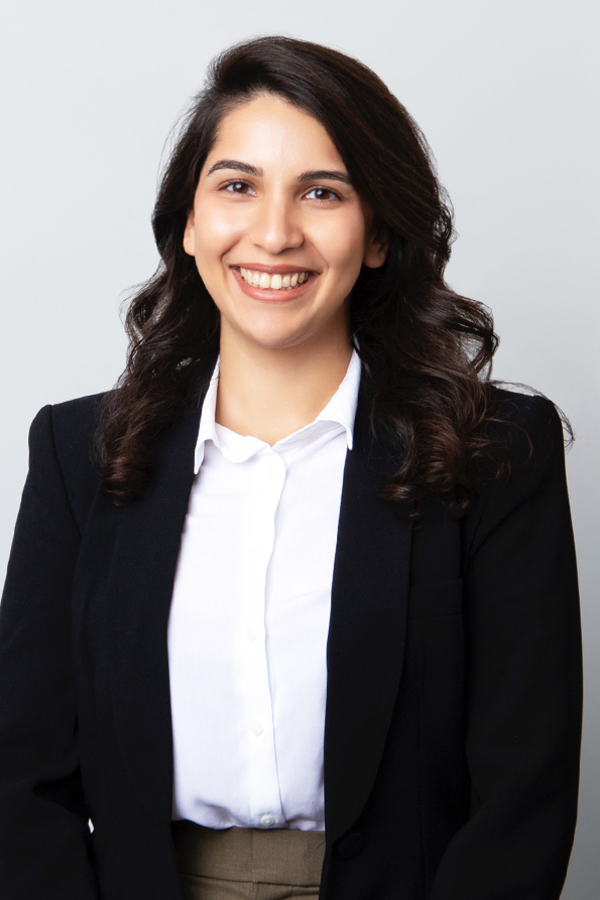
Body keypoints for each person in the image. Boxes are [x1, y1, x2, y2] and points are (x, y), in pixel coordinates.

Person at [0, 35, 582, 900]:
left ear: (378, 232)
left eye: (322, 192)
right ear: (191, 224)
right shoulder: (77, 454)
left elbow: (523, 791)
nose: (274, 233)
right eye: (237, 186)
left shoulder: (497, 451)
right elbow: (21, 780)